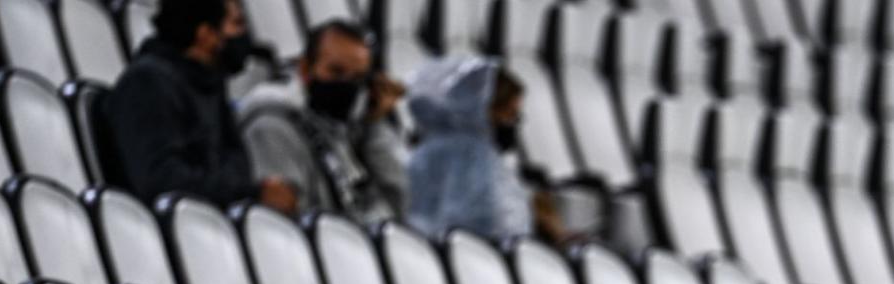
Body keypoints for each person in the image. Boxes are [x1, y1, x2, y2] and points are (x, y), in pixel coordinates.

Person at [106, 0, 298, 212]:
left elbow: (237, 167)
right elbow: (161, 182)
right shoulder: (147, 84)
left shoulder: (209, 82)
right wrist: (250, 193)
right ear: (205, 34)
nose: (246, 36)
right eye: (237, 24)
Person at [240, 20, 409, 224]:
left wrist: (375, 123)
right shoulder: (272, 127)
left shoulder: (348, 129)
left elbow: (403, 201)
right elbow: (278, 223)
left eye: (357, 78)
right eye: (336, 72)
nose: (346, 85)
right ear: (304, 69)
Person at [407, 56, 568, 244]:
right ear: (482, 111)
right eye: (510, 114)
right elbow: (507, 228)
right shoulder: (471, 158)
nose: (514, 123)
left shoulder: (431, 149)